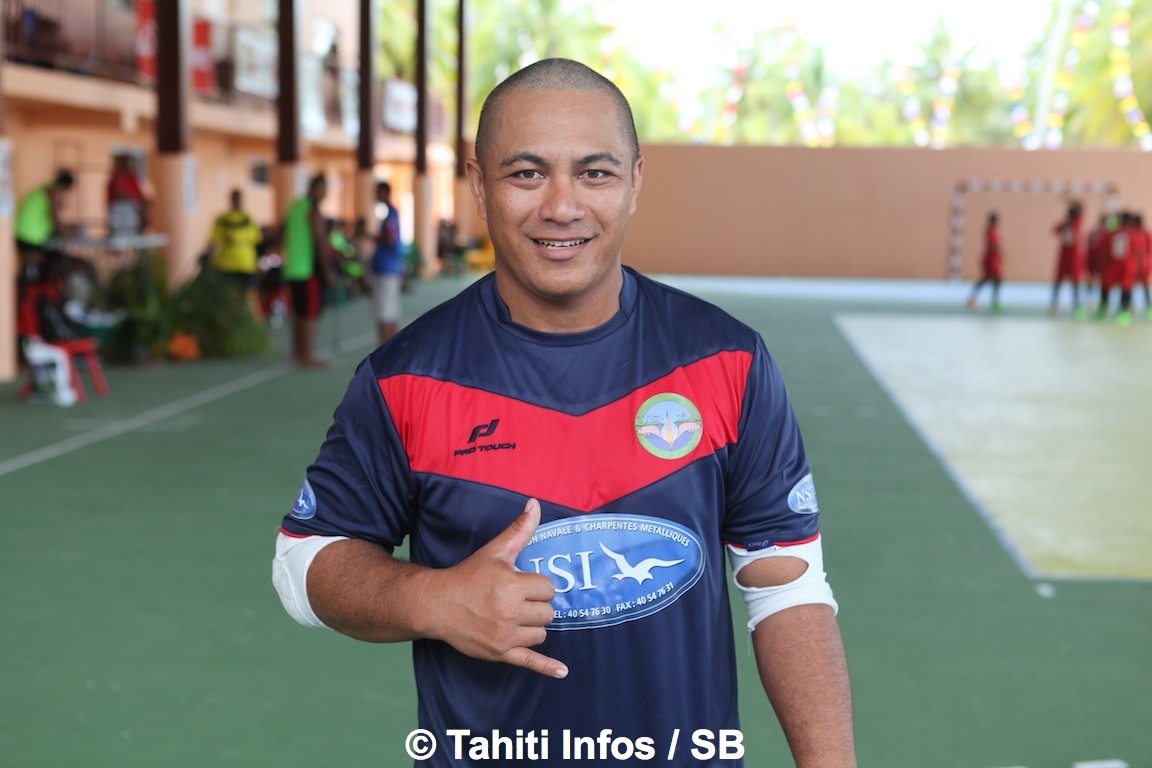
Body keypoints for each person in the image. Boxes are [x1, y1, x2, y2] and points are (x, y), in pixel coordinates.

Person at [272, 59, 856, 767]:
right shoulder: (405, 379)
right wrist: (428, 599)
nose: (561, 206)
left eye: (595, 173)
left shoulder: (725, 362)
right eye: (525, 174)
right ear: (479, 186)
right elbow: (301, 564)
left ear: (635, 181)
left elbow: (787, 585)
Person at [281, 173, 338, 368]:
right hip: (308, 269)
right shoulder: (313, 211)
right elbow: (320, 242)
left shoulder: (295, 206)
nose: (326, 193)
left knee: (298, 311)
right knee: (310, 313)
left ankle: (297, 352)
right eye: (324, 188)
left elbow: (282, 231)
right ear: (317, 188)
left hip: (292, 268)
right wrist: (328, 271)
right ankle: (307, 354)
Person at [210, 187, 264, 320]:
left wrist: (259, 264)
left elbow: (257, 240)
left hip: (245, 265)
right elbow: (214, 242)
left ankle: (248, 324)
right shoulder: (222, 219)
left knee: (248, 298)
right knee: (227, 299)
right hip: (226, 265)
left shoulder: (248, 219)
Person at [364, 180, 405, 345]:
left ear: (385, 193)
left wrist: (368, 236)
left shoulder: (391, 215)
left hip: (387, 270)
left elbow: (389, 239)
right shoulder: (389, 214)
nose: (375, 196)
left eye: (378, 192)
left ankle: (385, 355)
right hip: (386, 270)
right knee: (387, 314)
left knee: (386, 317)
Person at [15, 170, 75, 260]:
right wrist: (65, 232)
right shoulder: (52, 193)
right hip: (29, 238)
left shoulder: (45, 188)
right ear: (65, 187)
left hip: (22, 233)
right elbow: (54, 218)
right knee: (55, 256)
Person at [1049, 201, 1086, 318]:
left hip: (1067, 256)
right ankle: (1070, 306)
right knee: (1068, 282)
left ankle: (1060, 305)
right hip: (1070, 256)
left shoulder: (1069, 223)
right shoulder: (1074, 223)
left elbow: (1055, 229)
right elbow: (1081, 207)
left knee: (1065, 282)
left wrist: (1069, 204)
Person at [966, 211, 1004, 312]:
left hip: (994, 258)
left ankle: (993, 302)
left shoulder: (993, 231)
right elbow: (992, 245)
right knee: (990, 279)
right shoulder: (991, 231)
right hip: (991, 259)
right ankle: (974, 299)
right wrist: (998, 249)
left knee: (994, 280)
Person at [106, 153, 147, 237]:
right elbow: (119, 193)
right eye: (127, 162)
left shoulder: (133, 177)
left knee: (132, 236)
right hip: (120, 212)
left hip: (132, 212)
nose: (129, 165)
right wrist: (132, 199)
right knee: (119, 238)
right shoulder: (117, 177)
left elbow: (140, 195)